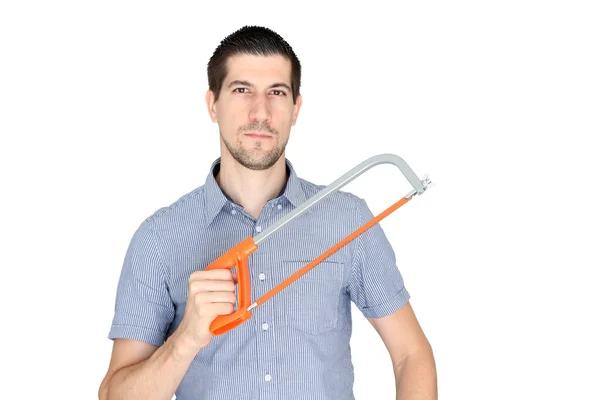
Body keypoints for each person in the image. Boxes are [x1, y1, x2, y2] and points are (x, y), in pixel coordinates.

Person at [98, 25, 437, 400]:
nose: (260, 112)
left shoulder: (348, 220)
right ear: (213, 104)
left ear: (296, 108)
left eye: (277, 92)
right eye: (242, 90)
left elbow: (411, 355)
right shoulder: (159, 239)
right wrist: (187, 339)